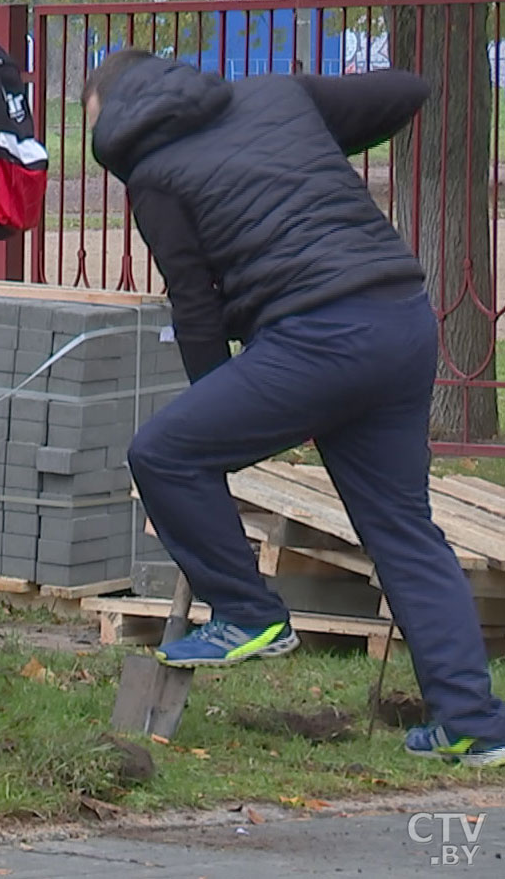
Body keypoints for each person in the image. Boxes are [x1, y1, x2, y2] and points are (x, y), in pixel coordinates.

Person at [84, 47, 505, 768]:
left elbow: (196, 304)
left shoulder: (152, 174)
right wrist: (305, 137)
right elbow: (410, 85)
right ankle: (472, 721)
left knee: (163, 452)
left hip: (319, 335)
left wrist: (212, 405)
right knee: (403, 528)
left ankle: (249, 612)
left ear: (115, 114)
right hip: (400, 319)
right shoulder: (275, 96)